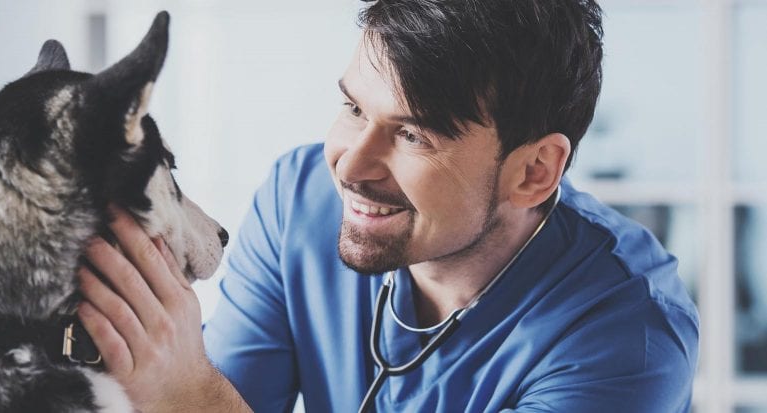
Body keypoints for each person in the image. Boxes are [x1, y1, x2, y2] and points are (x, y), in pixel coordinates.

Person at [78, 0, 700, 412]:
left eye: (413, 136)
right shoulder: (298, 201)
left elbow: (199, 397)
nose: (349, 165)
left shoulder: (626, 336)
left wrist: (182, 384)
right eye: (353, 108)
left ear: (534, 172)